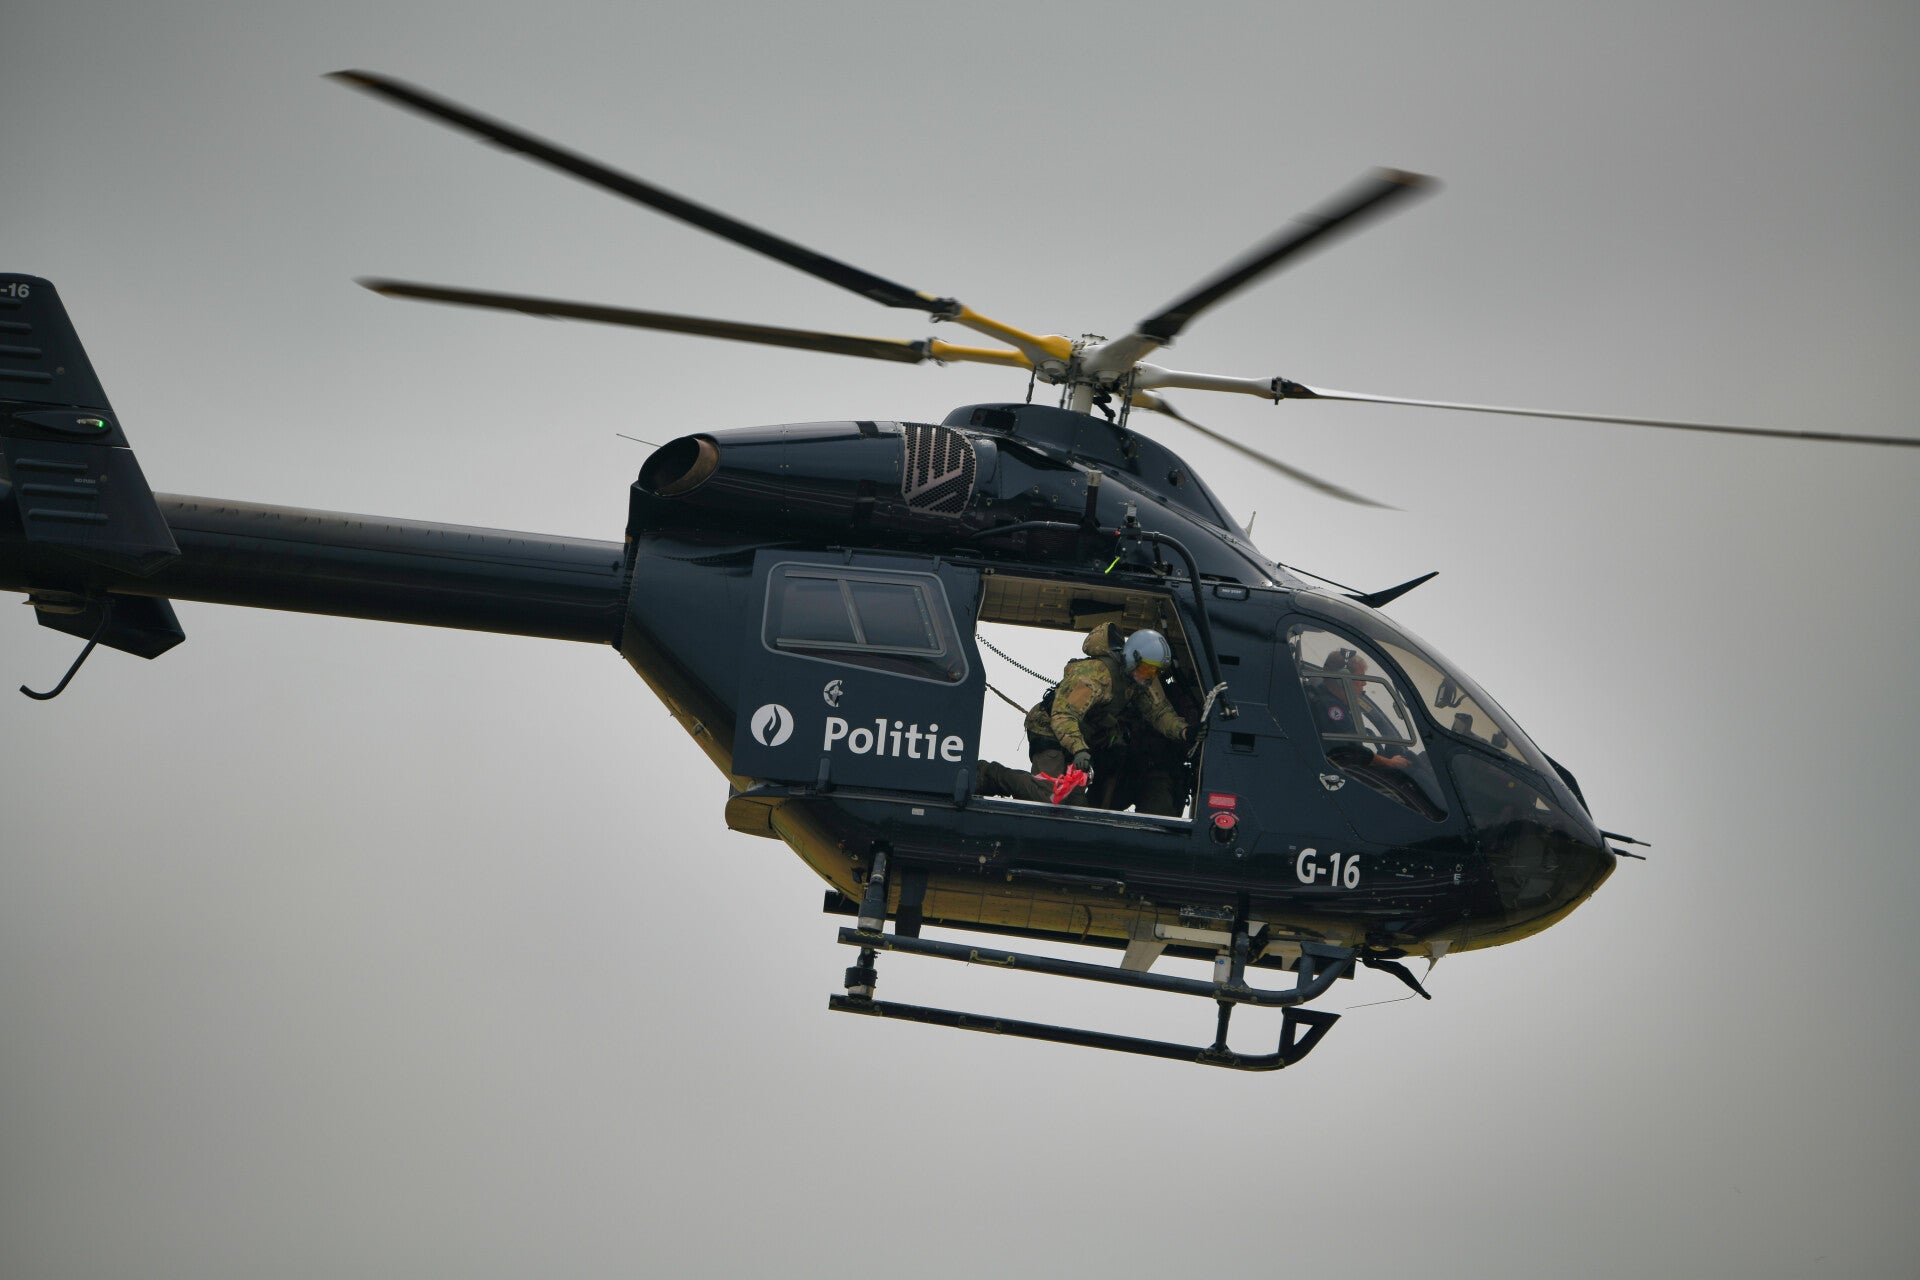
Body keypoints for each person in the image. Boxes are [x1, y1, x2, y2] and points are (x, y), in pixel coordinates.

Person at [978, 623, 1193, 813]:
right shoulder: (1096, 675)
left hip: (1077, 741)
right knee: (1047, 797)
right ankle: (990, 773)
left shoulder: (1136, 681)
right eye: (1146, 669)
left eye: (1154, 672)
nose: (1148, 677)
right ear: (1132, 657)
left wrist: (1184, 731)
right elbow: (1064, 715)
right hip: (1050, 731)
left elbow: (1159, 712)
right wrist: (1079, 749)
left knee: (1079, 812)